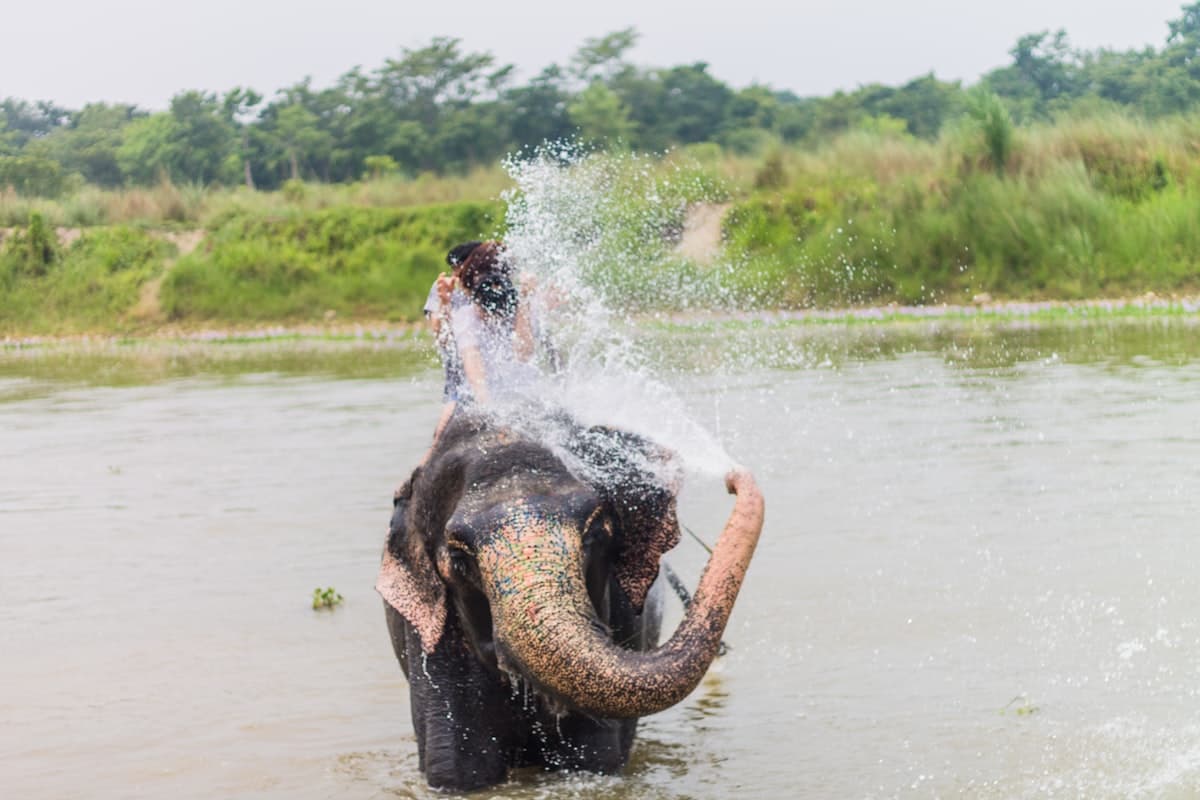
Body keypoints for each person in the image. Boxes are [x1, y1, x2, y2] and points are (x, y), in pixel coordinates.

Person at [451, 241, 537, 405]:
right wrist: (490, 412)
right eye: (484, 277)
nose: (492, 285)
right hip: (482, 402)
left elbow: (523, 354)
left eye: (499, 277)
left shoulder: (522, 310)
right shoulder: (465, 317)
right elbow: (475, 373)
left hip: (524, 398)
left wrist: (525, 299)